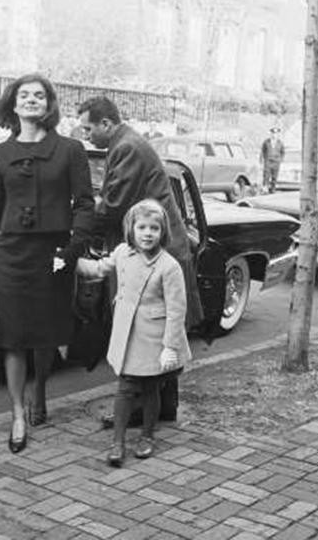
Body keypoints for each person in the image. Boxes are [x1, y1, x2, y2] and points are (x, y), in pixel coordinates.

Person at [0, 73, 94, 453]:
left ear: (49, 104)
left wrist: (72, 251)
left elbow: (85, 204)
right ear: (13, 104)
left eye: (39, 96)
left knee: (46, 333)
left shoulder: (70, 150)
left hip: (53, 256)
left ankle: (40, 389)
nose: (31, 100)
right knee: (12, 337)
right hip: (12, 256)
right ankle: (17, 413)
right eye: (24, 95)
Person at [77, 95, 203, 424]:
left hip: (158, 254)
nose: (86, 135)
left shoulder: (126, 147)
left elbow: (114, 204)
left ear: (106, 123)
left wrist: (78, 222)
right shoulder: (127, 143)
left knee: (141, 330)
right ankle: (165, 406)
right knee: (160, 329)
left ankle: (136, 410)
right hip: (162, 247)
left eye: (88, 129)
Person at [77, 199, 191, 466]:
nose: (147, 233)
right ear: (132, 229)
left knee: (151, 388)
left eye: (154, 228)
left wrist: (170, 346)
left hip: (153, 337)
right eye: (142, 227)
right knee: (126, 387)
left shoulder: (169, 266)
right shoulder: (123, 253)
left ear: (163, 231)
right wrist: (73, 262)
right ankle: (117, 442)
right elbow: (99, 268)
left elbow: (177, 310)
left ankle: (147, 436)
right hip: (126, 334)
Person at [260, 126, 285, 193]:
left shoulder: (280, 143)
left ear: (277, 134)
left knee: (274, 176)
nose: (274, 135)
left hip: (276, 162)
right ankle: (265, 189)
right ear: (270, 134)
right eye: (273, 133)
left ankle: (273, 189)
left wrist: (280, 159)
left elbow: (282, 152)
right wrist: (262, 159)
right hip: (268, 161)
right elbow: (263, 151)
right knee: (266, 175)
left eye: (276, 133)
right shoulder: (266, 142)